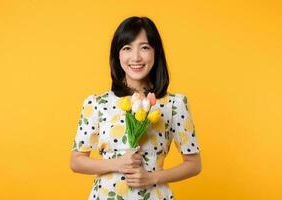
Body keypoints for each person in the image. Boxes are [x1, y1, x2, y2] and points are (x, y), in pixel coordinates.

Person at [70, 16, 202, 200]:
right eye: (127, 48)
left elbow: (194, 164)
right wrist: (118, 164)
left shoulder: (174, 104)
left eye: (145, 47)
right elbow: (76, 162)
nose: (136, 57)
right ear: (117, 55)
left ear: (156, 52)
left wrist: (151, 178)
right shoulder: (96, 103)